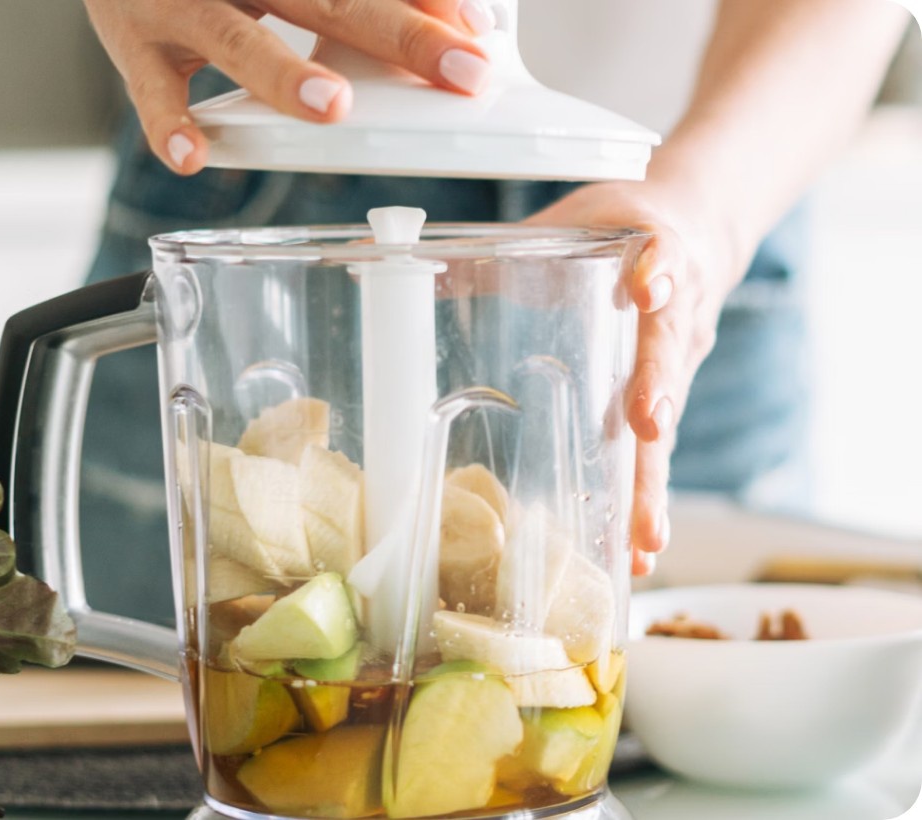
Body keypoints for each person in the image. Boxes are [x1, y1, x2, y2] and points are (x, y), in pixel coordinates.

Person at [74, 0, 909, 624]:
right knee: (179, 667)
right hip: (269, 134)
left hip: (694, 179)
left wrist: (710, 211)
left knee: (687, 696)